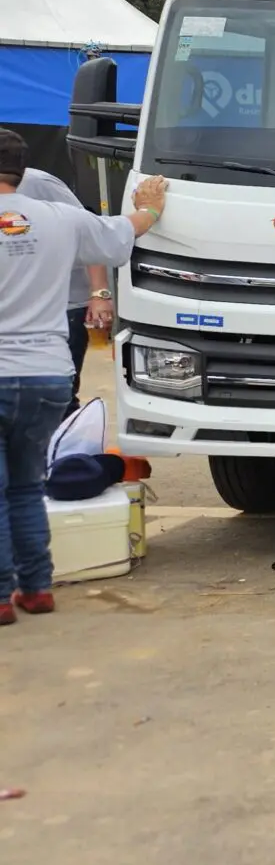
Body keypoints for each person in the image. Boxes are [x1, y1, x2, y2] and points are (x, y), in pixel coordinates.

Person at [0, 137, 164, 627]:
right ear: (22, 168)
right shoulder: (59, 217)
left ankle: (3, 595)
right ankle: (36, 588)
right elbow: (120, 235)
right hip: (47, 373)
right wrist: (151, 209)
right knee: (26, 486)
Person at [2, 151, 111, 414]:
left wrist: (100, 293)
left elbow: (89, 232)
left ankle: (65, 438)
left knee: (59, 394)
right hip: (15, 311)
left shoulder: (38, 183)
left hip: (65, 305)